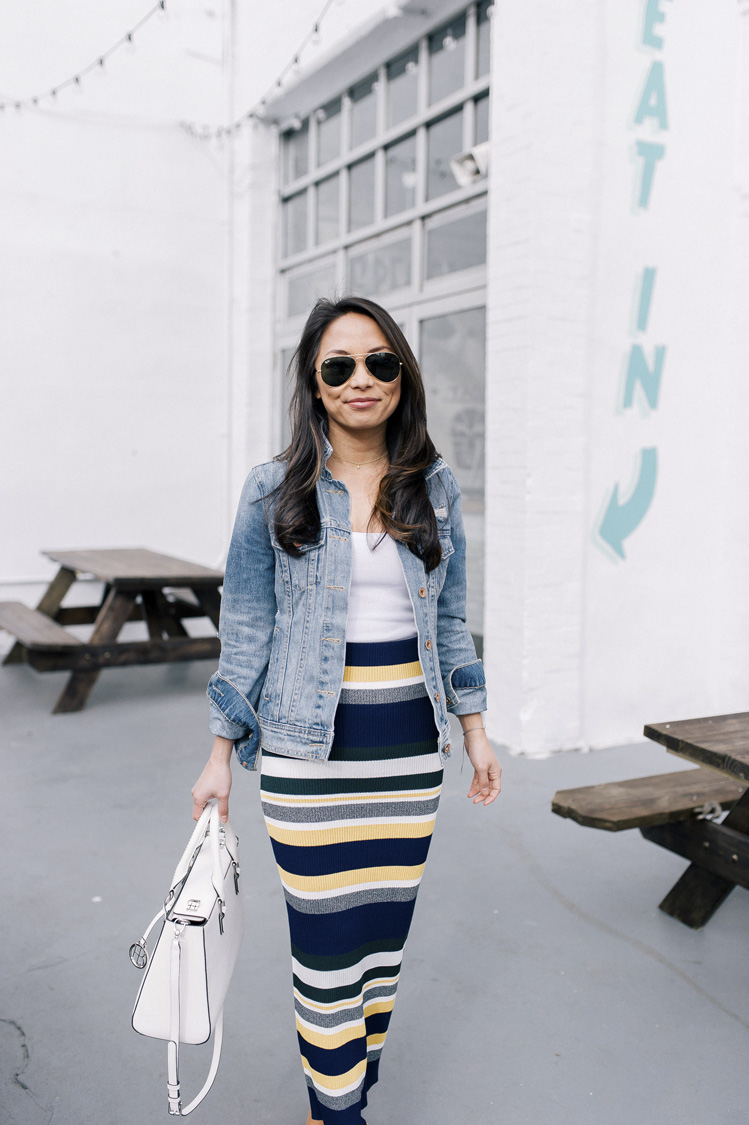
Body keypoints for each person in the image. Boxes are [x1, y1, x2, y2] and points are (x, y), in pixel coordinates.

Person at [191, 295, 502, 1125]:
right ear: (314, 384)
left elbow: (448, 616)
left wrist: (473, 730)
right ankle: (336, 1110)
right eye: (339, 366)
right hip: (304, 755)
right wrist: (221, 749)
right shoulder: (274, 487)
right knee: (325, 948)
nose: (360, 379)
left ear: (401, 375)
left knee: (380, 945)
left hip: (407, 753)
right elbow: (247, 622)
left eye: (379, 362)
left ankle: (345, 1089)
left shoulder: (433, 485)